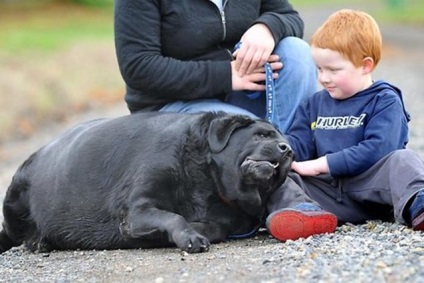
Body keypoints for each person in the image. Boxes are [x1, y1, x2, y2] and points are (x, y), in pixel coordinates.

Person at [265, 9, 424, 242]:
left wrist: (324, 164)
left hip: (375, 191)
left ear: (365, 65)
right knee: (282, 177)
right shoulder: (314, 105)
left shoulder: (384, 100)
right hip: (328, 196)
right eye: (319, 68)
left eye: (333, 70)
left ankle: (417, 205)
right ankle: (304, 213)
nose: (324, 78)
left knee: (404, 160)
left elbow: (380, 149)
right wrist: (278, 151)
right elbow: (299, 144)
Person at [113, 0, 317, 133]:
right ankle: (276, 163)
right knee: (249, 133)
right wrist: (226, 75)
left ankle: (291, 153)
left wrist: (267, 27)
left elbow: (289, 17)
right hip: (172, 105)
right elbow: (138, 67)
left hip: (244, 95)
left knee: (296, 51)